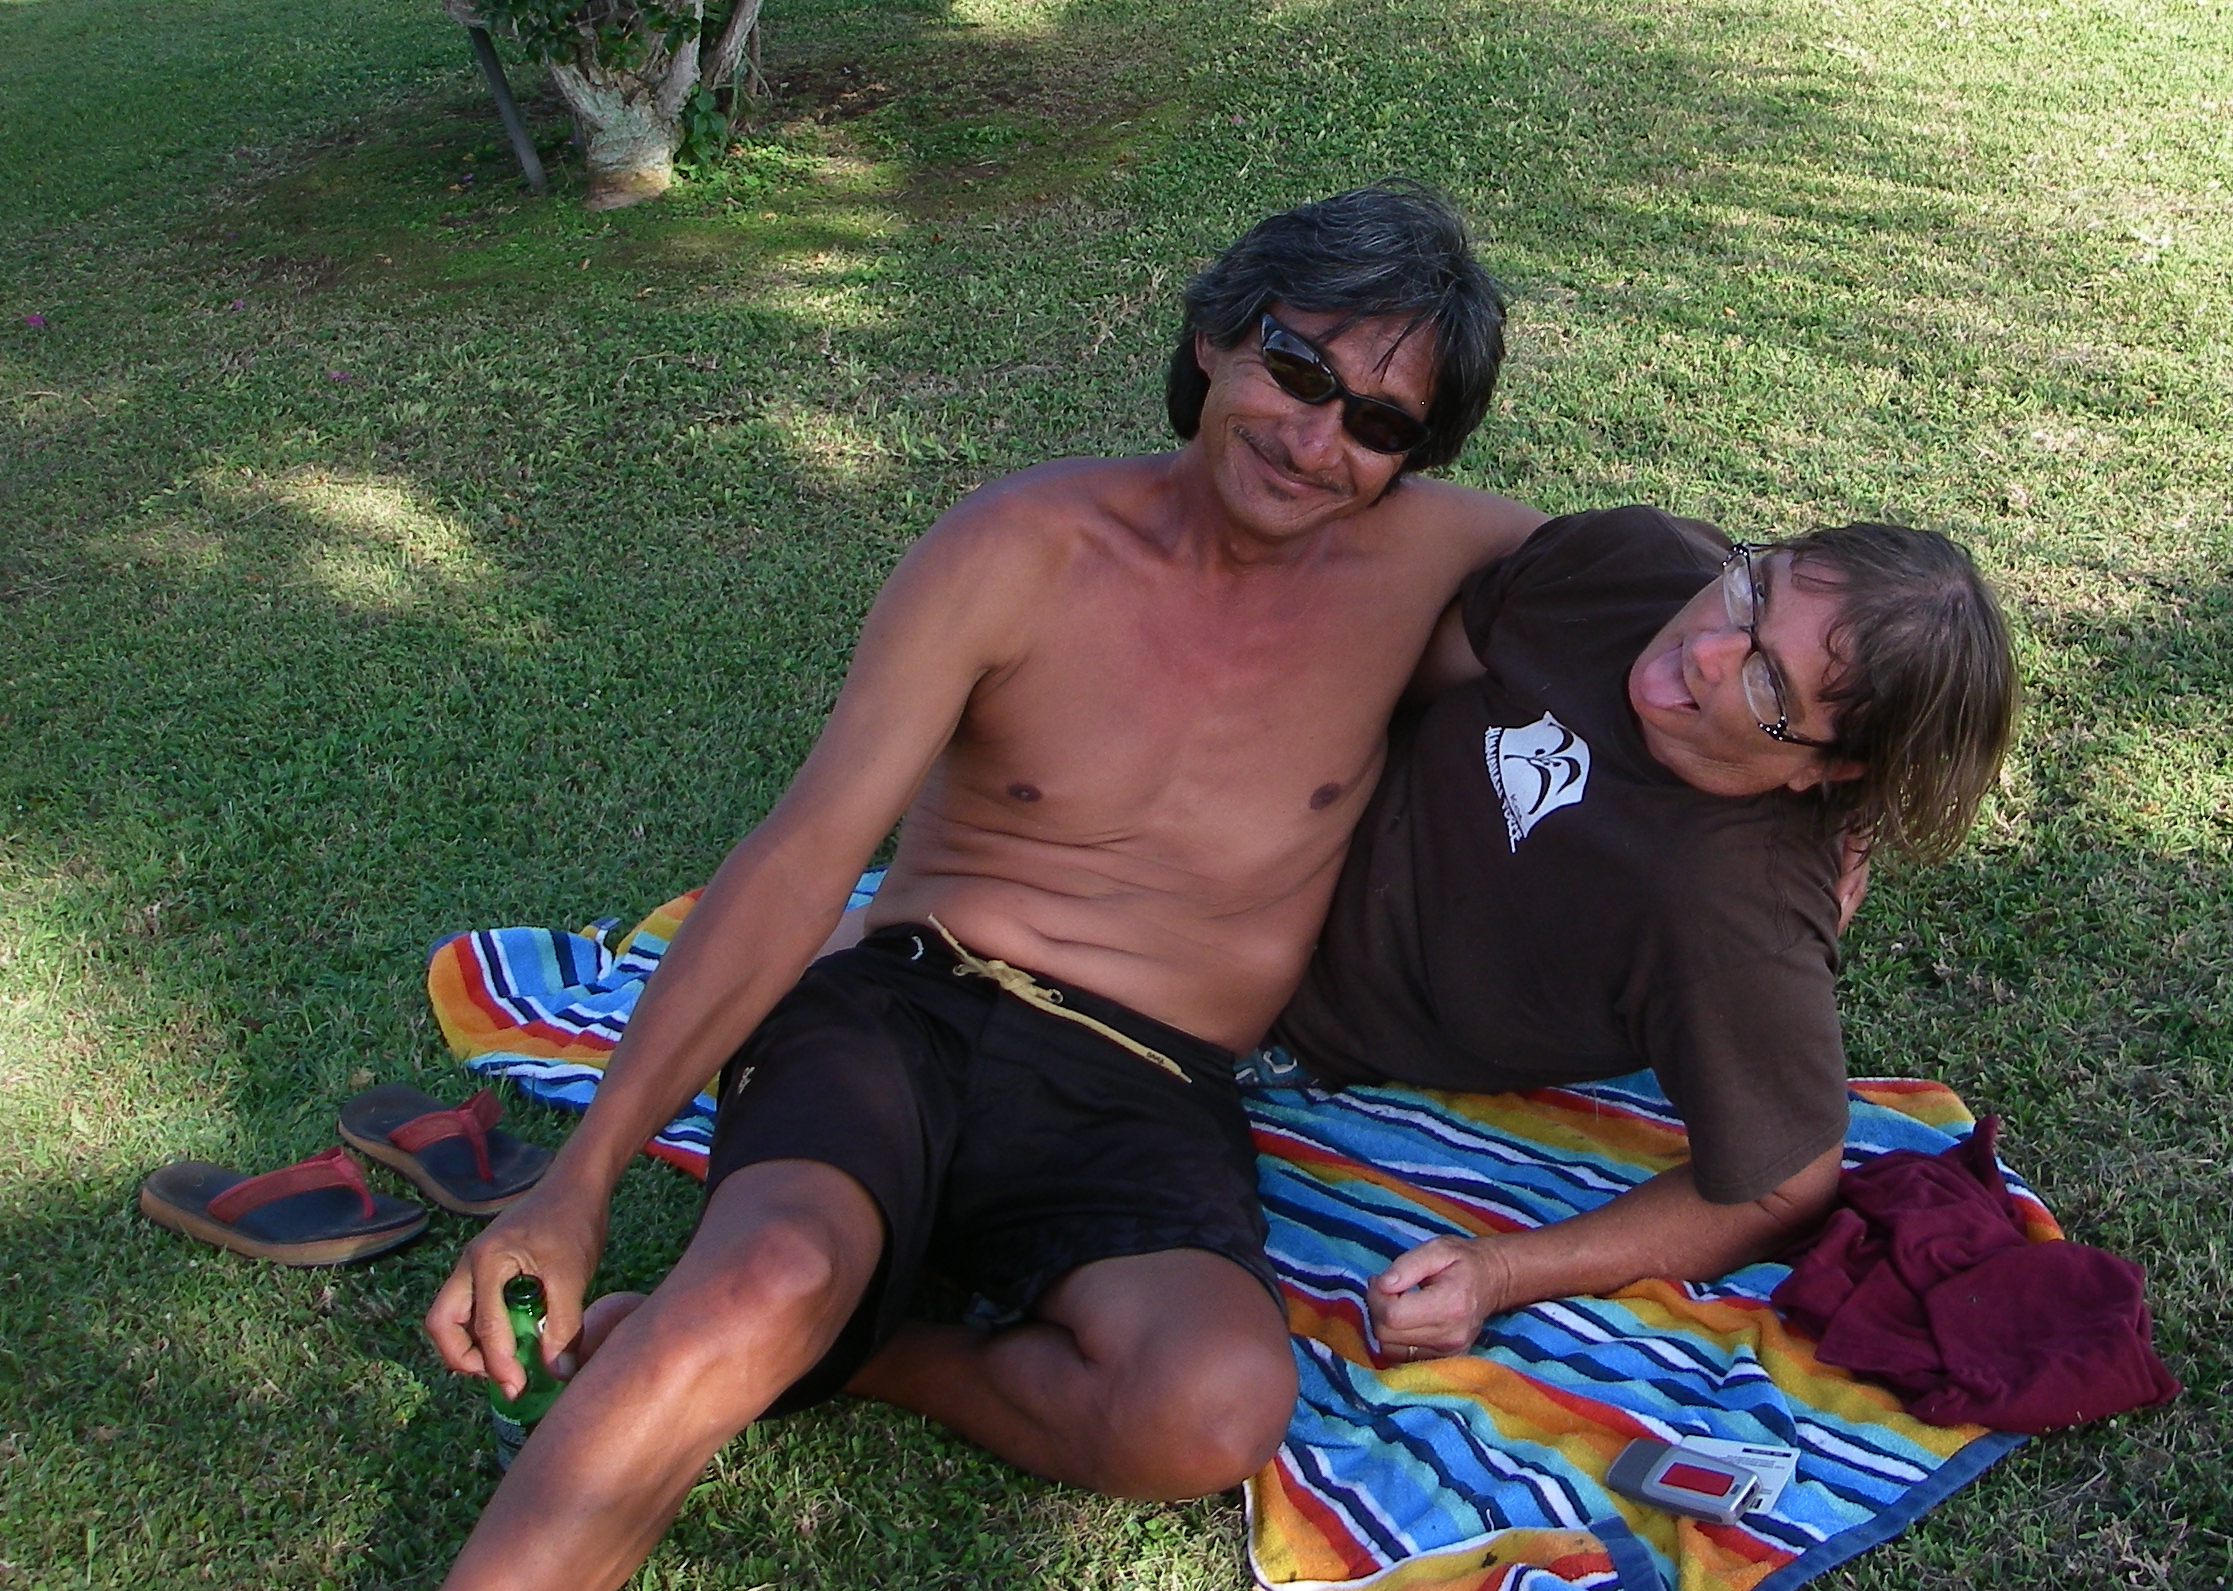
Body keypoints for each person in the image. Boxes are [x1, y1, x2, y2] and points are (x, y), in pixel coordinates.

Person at [424, 185, 1547, 1591]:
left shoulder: (1440, 560)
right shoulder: (1017, 547)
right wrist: (578, 1182)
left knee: (1208, 1407)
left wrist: (1794, 767)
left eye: (1378, 424)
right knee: (763, 1281)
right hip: (912, 1007)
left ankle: (866, 1352)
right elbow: (805, 851)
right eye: (1296, 368)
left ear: (1413, 458)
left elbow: (1689, 615)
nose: (1317, 440)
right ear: (1214, 337)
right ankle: (754, 1334)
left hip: (1149, 1079)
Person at [1260, 505, 2019, 1364]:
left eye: (1768, 685)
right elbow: (1377, 675)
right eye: (1753, 592)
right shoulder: (1629, 564)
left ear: (1833, 766)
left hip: (1271, 1006)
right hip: (1230, 829)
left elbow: (1784, 1192)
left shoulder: (1737, 917)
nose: (1708, 649)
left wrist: (1499, 1272)